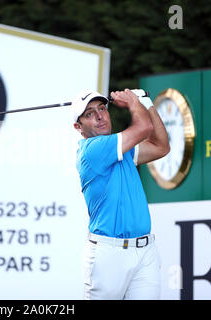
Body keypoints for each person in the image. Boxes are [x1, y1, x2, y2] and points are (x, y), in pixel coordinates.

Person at [71, 88, 170, 300]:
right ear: (79, 127)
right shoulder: (93, 150)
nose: (99, 116)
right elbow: (143, 127)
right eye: (89, 113)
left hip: (145, 252)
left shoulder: (123, 151)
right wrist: (135, 102)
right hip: (108, 255)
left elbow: (161, 147)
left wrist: (147, 102)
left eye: (102, 108)